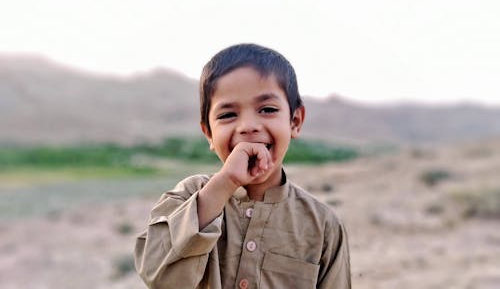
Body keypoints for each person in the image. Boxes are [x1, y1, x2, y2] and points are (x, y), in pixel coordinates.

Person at [134, 43, 351, 288]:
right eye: (227, 115)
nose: (248, 126)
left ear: (295, 121)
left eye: (267, 109)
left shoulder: (322, 225)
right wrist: (225, 183)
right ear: (208, 134)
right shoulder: (185, 198)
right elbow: (157, 275)